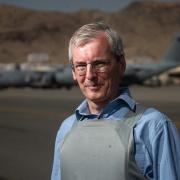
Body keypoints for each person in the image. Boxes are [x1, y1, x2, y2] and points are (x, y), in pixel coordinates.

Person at [51, 22, 180, 180]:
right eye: (81, 66)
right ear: (73, 72)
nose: (90, 76)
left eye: (99, 64)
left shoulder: (153, 127)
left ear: (121, 65)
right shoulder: (66, 129)